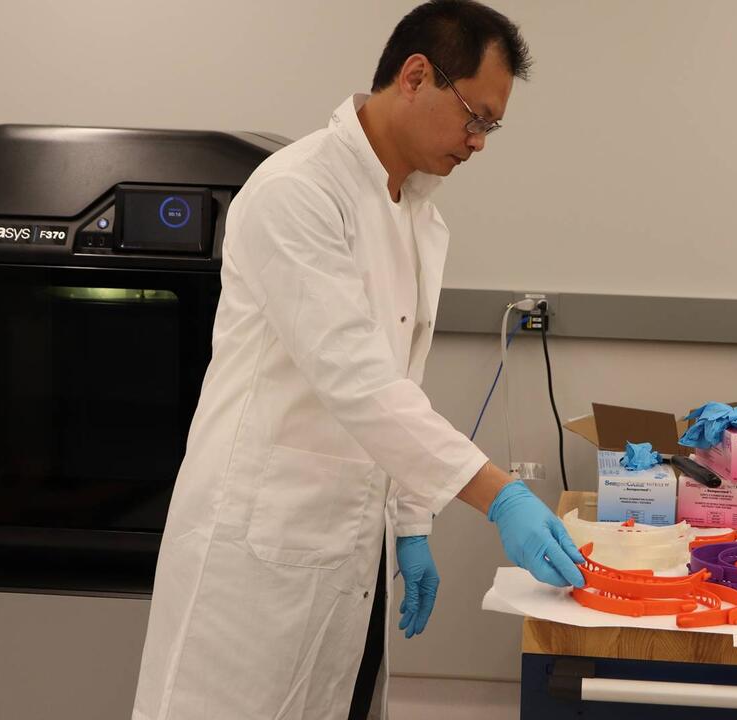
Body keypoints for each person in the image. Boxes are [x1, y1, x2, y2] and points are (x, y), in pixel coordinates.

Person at [130, 2, 585, 719]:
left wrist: (410, 524)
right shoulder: (298, 192)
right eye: (477, 117)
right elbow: (358, 382)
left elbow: (401, 385)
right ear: (415, 75)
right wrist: (499, 493)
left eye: (491, 126)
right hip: (254, 549)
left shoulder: (418, 217)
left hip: (343, 548)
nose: (480, 142)